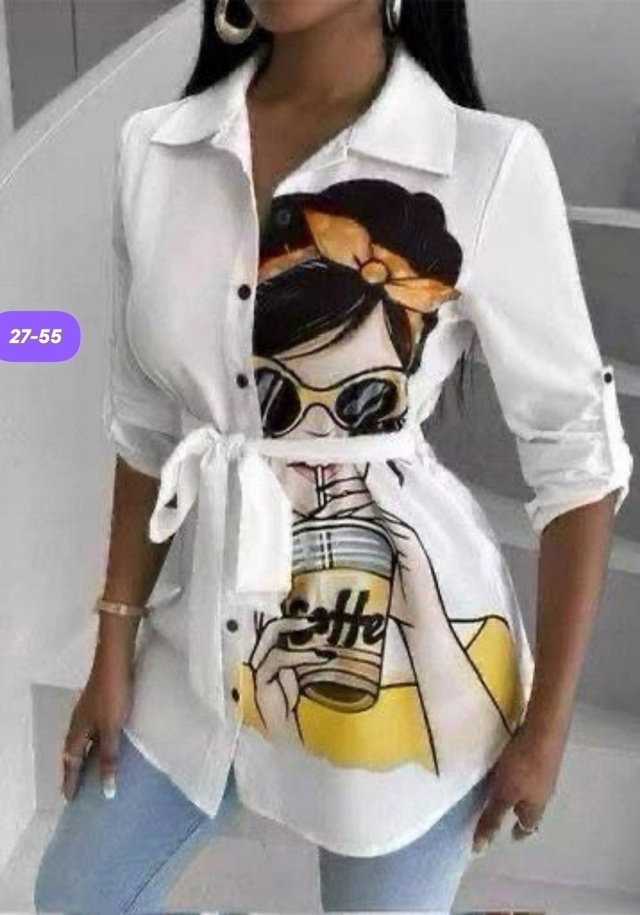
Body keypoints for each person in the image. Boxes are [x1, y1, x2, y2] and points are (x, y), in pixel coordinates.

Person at [34, 0, 634, 912]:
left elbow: (577, 453)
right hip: (203, 641)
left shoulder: (486, 161)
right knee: (76, 895)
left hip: (406, 656)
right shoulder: (155, 151)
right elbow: (149, 424)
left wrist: (547, 725)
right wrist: (111, 642)